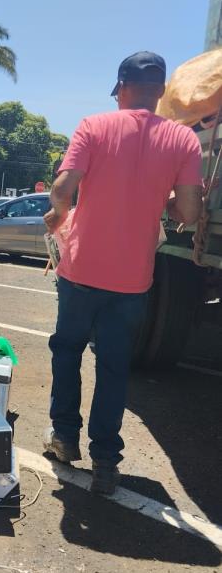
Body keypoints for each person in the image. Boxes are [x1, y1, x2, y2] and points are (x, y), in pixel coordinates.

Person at [43, 51, 203, 495]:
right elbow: (189, 211)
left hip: (80, 271)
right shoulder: (183, 140)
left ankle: (64, 437)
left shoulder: (93, 126)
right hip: (133, 281)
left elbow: (62, 189)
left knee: (67, 351)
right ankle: (105, 461)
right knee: (113, 367)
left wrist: (59, 214)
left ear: (122, 88)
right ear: (160, 92)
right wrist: (165, 203)